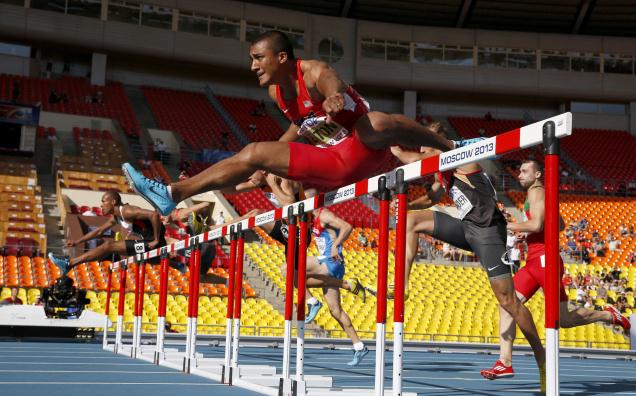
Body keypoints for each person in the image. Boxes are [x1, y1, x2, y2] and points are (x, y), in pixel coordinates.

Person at [122, 30, 475, 216]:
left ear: (282, 57)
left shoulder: (314, 72)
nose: (252, 66)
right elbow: (301, 129)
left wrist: (335, 96)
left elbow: (331, 81)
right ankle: (172, 194)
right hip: (332, 163)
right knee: (255, 151)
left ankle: (450, 148)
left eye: (258, 58)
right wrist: (268, 160)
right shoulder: (278, 94)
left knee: (375, 123)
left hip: (366, 150)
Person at [390, 141, 547, 390]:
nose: (422, 154)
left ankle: (541, 357)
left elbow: (413, 160)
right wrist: (406, 205)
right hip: (466, 228)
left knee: (508, 302)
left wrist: (397, 150)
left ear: (437, 150)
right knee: (410, 221)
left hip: (488, 233)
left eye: (425, 150)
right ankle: (403, 285)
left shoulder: (464, 162)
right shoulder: (445, 174)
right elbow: (431, 197)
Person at [480, 160, 631, 381]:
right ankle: (505, 363)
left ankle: (609, 315)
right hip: (533, 260)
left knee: (564, 320)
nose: (519, 175)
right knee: (507, 305)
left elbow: (536, 225)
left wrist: (505, 226)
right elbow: (558, 225)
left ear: (538, 174)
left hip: (544, 261)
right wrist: (529, 234)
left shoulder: (537, 192)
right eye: (519, 171)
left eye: (524, 171)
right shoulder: (539, 194)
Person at [255, 174, 369, 365]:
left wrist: (337, 245)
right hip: (328, 267)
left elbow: (347, 226)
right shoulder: (309, 220)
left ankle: (316, 299)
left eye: (303, 201)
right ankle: (359, 346)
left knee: (287, 268)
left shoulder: (323, 215)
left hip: (331, 261)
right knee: (335, 310)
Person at [48, 191, 171, 274]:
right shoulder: (116, 217)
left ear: (113, 202)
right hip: (148, 246)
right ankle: (176, 264)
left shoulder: (127, 211)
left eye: (103, 202)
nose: (101, 205)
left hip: (154, 245)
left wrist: (155, 239)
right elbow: (99, 231)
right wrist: (77, 241)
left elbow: (154, 215)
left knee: (109, 246)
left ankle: (69, 263)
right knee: (111, 245)